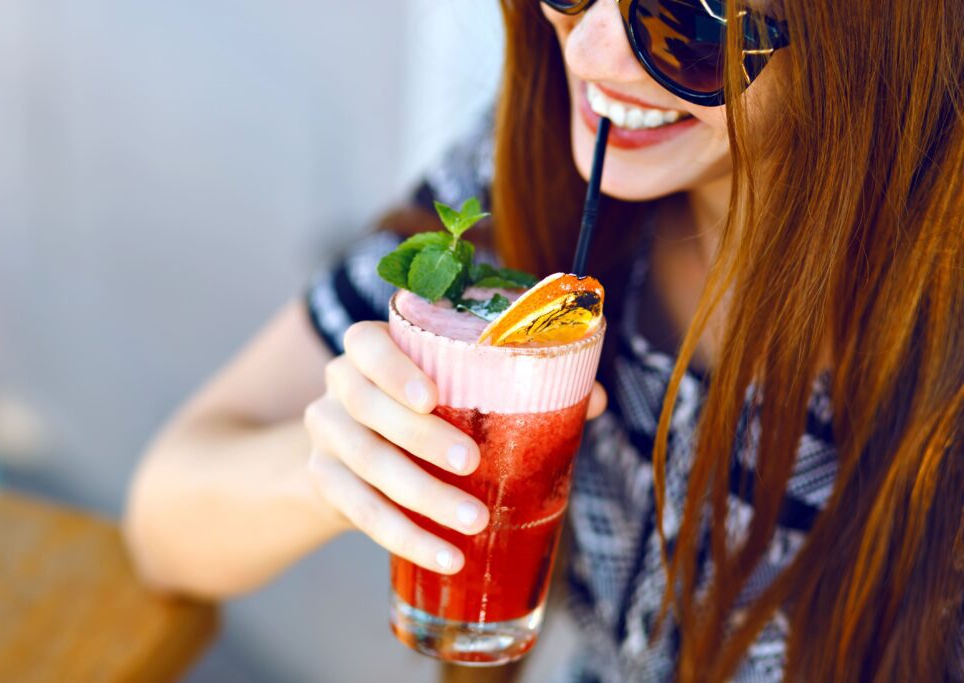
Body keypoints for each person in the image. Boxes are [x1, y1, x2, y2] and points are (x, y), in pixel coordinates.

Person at [124, 1, 964, 681]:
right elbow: (164, 517)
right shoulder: (520, 186)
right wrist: (342, 470)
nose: (594, 52)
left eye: (690, 21)